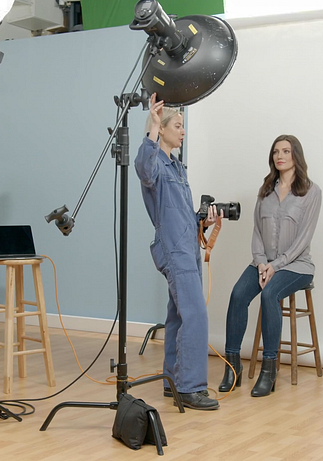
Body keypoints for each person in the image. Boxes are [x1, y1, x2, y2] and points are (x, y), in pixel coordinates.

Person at [219, 134, 322, 397]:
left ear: (296, 156)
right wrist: (263, 263)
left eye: (286, 151)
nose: (280, 156)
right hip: (263, 263)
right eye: (276, 152)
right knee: (238, 294)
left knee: (269, 294)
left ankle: (269, 370)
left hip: (296, 266)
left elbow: (303, 240)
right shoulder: (265, 191)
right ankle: (232, 367)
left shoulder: (312, 192)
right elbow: (256, 232)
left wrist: (276, 265)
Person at [135, 93, 220, 410]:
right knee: (195, 314)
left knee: (177, 316)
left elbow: (179, 212)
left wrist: (203, 220)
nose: (183, 131)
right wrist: (152, 129)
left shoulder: (177, 168)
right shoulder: (154, 161)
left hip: (188, 248)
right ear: (163, 127)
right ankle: (190, 387)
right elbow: (143, 170)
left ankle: (173, 380)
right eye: (178, 125)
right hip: (174, 250)